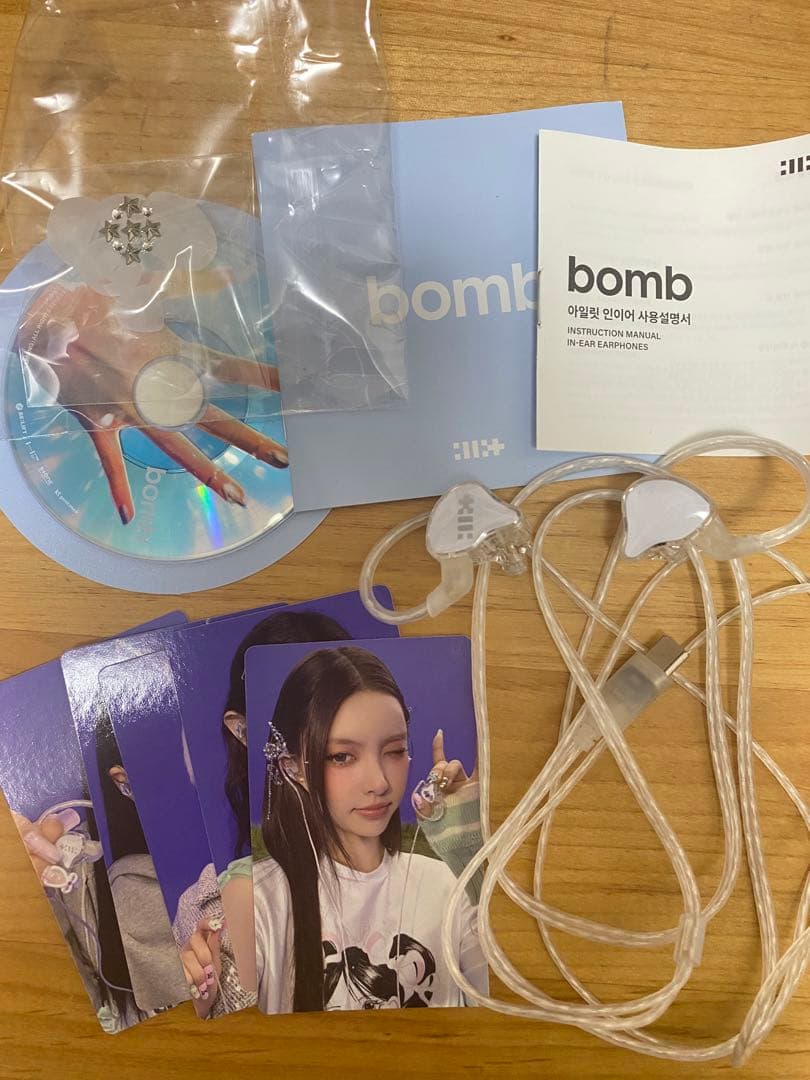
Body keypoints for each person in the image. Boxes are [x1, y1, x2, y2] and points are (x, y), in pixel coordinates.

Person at [251, 645, 487, 1013]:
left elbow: (508, 1000)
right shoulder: (261, 901)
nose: (379, 782)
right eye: (342, 757)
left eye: (394, 751)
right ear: (293, 767)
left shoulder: (446, 884)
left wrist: (472, 859)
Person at [172, 609, 353, 1018]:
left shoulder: (421, 873)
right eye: (301, 716)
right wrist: (202, 1002)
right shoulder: (205, 907)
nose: (326, 743)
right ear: (243, 730)